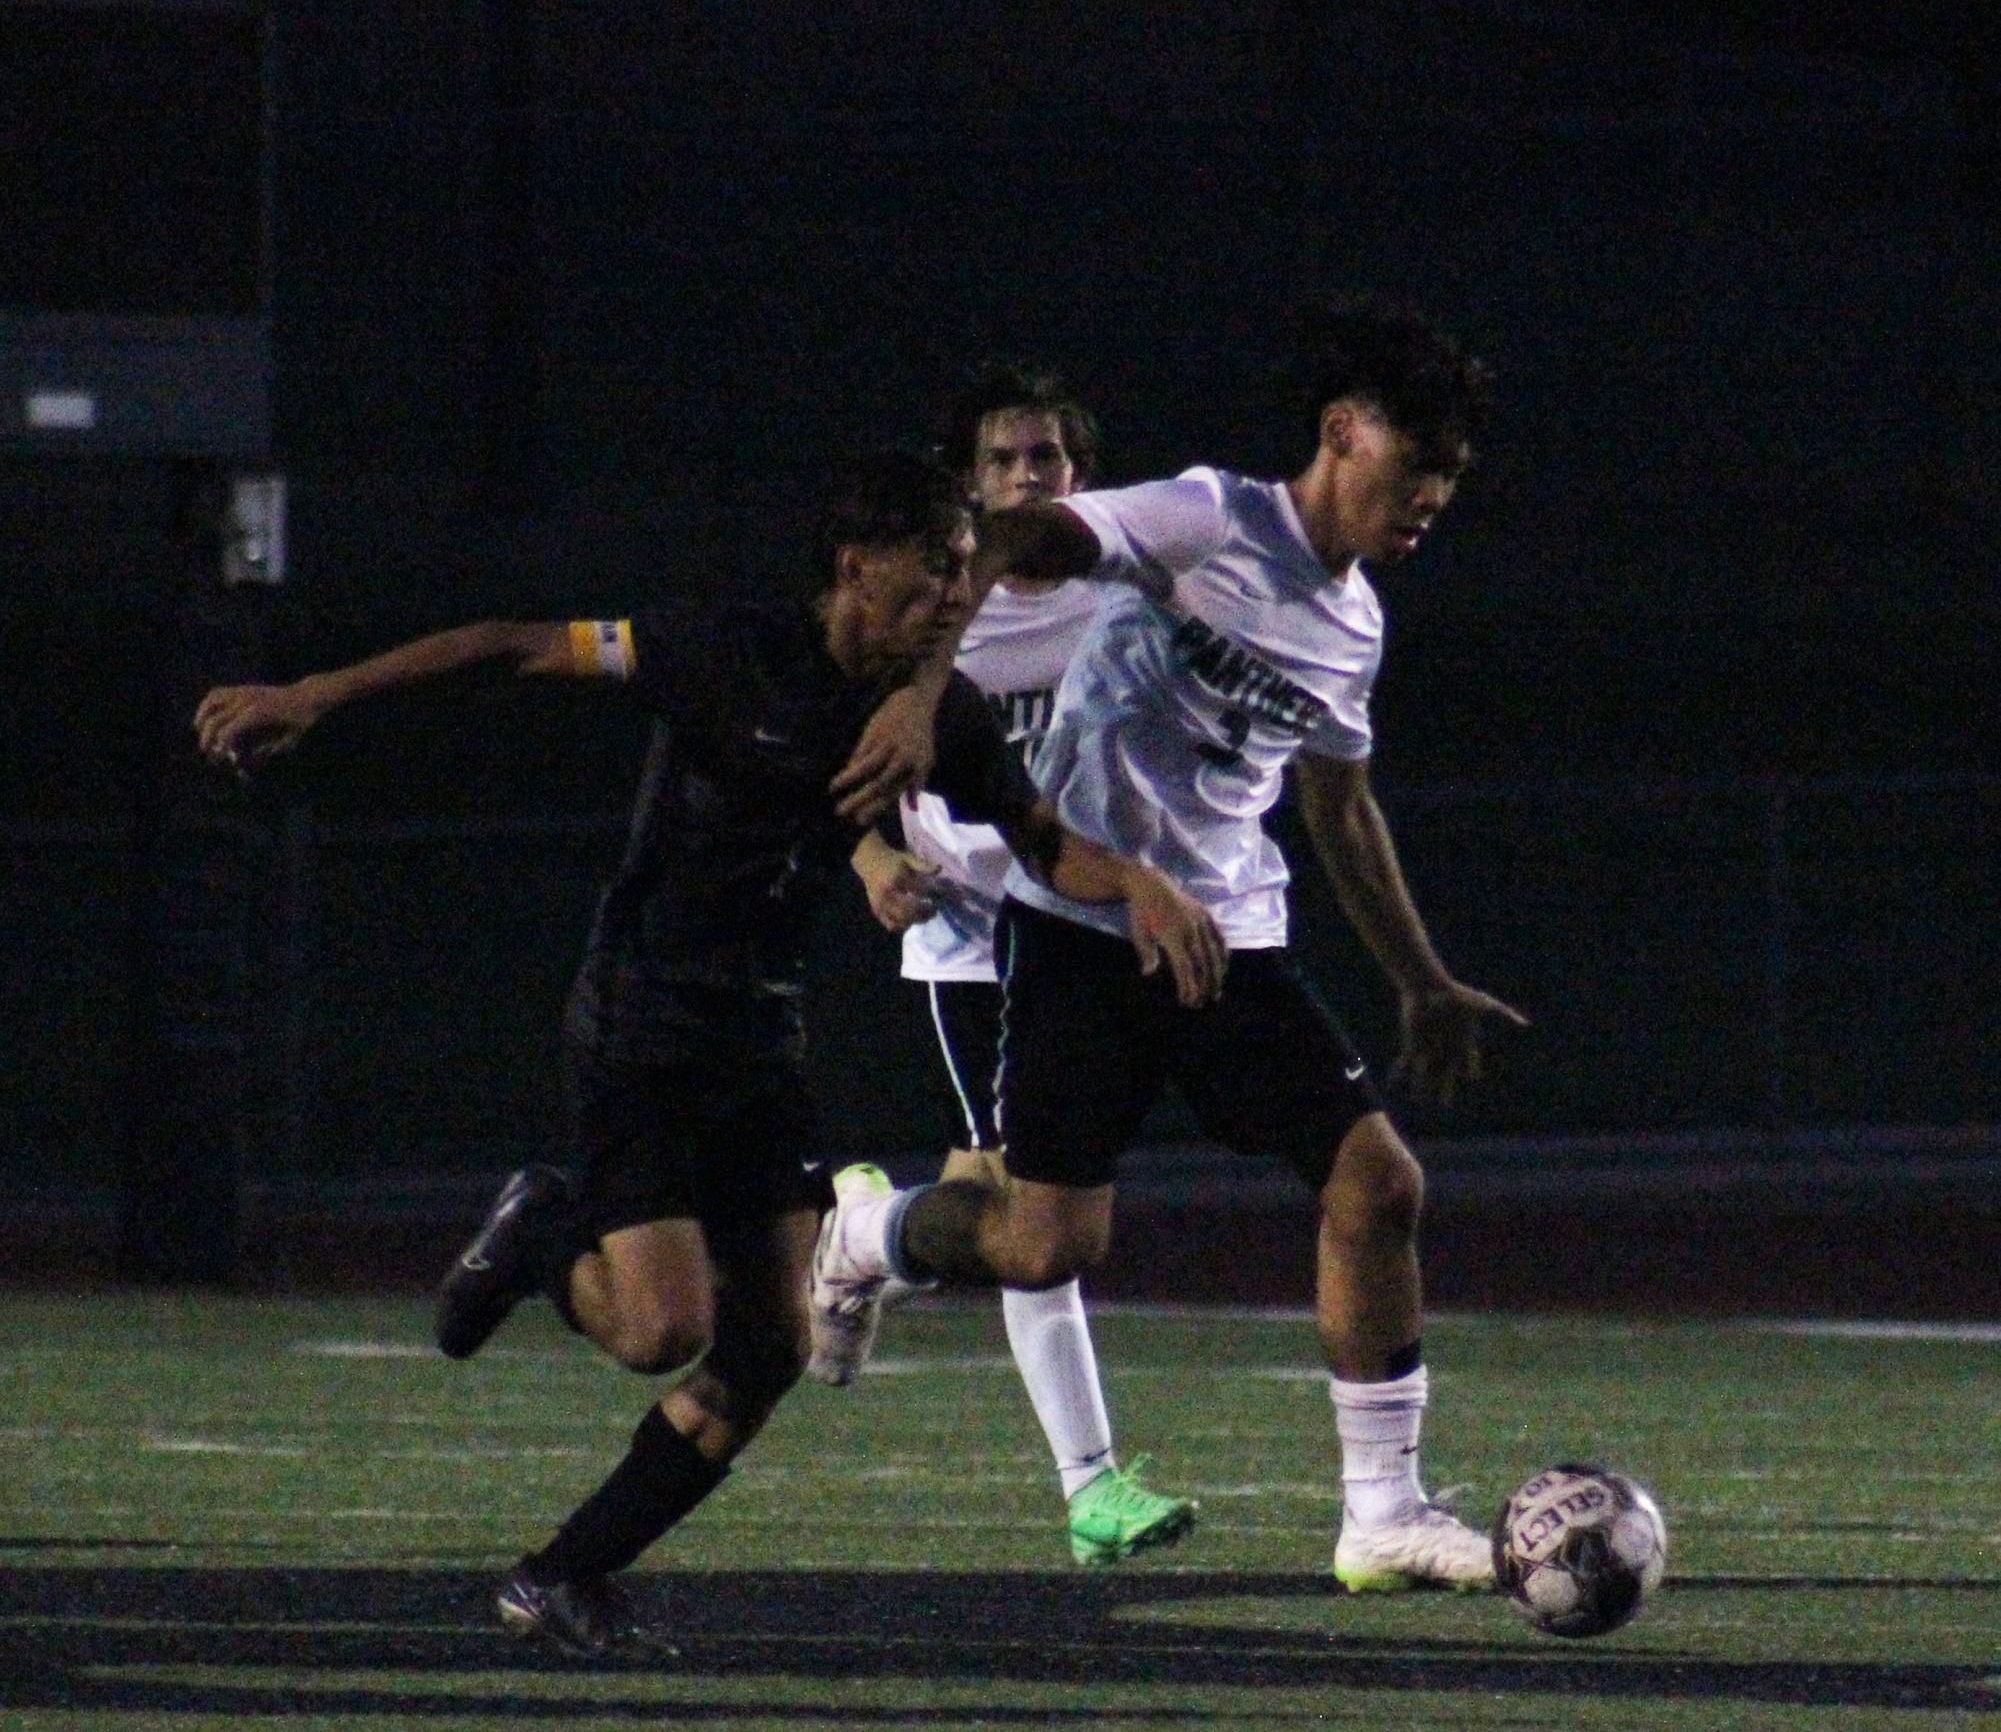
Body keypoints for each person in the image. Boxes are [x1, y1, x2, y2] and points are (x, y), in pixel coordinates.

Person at [192, 449, 1225, 1657]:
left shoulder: (933, 713)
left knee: (774, 1350)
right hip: (643, 1021)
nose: (959, 595)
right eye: (936, 569)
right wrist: (313, 692)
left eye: (965, 570)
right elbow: (508, 644)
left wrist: (1141, 884)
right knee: (658, 1334)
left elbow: (1045, 844)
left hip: (760, 1038)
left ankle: (561, 1575)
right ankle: (544, 1236)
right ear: (854, 566)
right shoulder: (717, 653)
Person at [810, 296, 1529, 1593]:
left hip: (1230, 946)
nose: (1429, 500)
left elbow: (1339, 803)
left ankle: (1382, 1509)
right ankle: (869, 1235)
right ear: (1340, 433)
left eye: (1450, 481)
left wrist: (1417, 975)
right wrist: (921, 692)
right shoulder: (1210, 517)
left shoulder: (1351, 616)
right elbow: (1020, 530)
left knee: (1380, 1185)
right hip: (1079, 931)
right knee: (1042, 1245)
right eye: (1414, 467)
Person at [838, 367, 1195, 1568]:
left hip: (1086, 928)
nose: (1031, 477)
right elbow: (834, 752)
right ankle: (1091, 1486)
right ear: (971, 484)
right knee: (1031, 1217)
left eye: (1050, 457)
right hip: (973, 936)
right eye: (1006, 461)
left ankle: (861, 1239)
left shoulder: (1127, 595)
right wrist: (874, 857)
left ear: (1081, 478)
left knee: (987, 1214)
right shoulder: (944, 619)